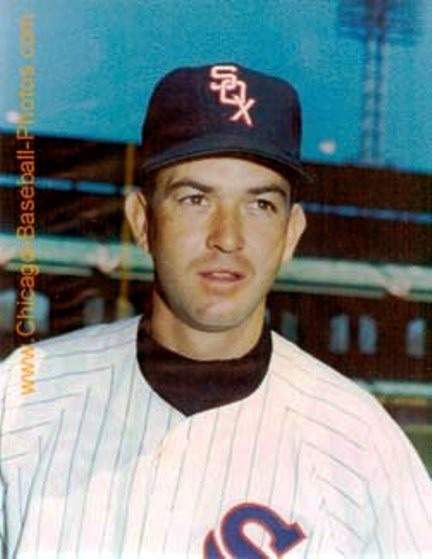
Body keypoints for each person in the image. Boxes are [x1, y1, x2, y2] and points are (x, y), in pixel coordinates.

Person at [0, 63, 431, 558]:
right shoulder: (23, 400)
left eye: (260, 205)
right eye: (195, 199)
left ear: (291, 233)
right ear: (142, 221)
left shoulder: (360, 445)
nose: (227, 237)